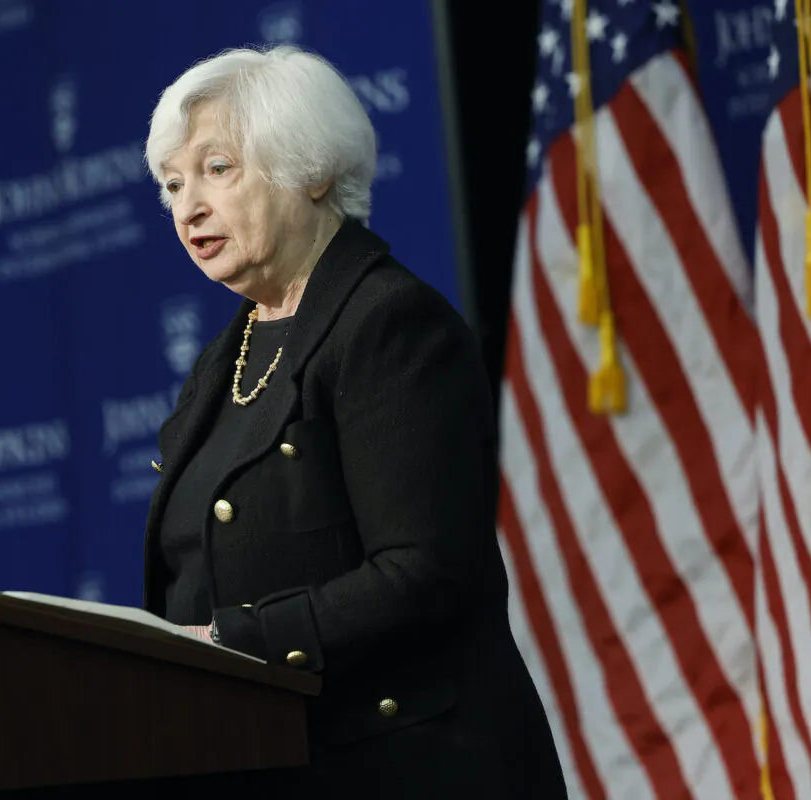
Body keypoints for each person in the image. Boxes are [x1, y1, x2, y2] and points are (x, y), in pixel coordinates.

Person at [141, 44, 567, 797]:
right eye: (173, 184)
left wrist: (233, 641)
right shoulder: (221, 362)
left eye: (217, 170)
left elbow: (423, 572)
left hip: (409, 767)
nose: (188, 207)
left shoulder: (391, 324)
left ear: (311, 170)